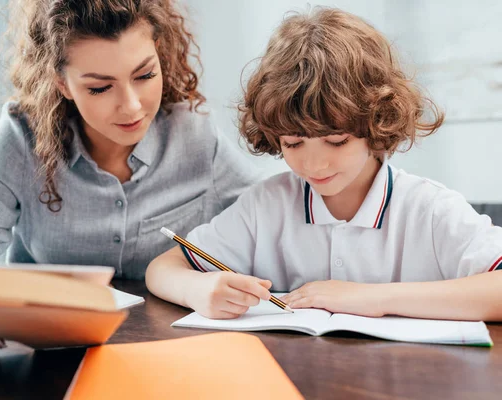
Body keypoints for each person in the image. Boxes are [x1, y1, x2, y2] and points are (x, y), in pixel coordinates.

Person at [0, 0, 261, 359]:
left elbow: (265, 217)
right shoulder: (22, 136)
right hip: (47, 356)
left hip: (168, 353)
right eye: (100, 88)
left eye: (145, 75)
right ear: (62, 84)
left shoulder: (195, 134)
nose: (133, 106)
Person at [145, 8, 502, 321]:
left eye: (336, 140)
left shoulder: (429, 210)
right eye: (293, 143)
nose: (314, 163)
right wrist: (197, 289)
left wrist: (373, 298)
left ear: (378, 122)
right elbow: (163, 269)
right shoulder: (265, 206)